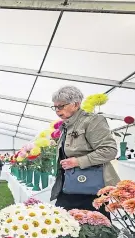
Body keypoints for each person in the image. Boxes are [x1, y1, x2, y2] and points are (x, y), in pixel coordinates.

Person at [50, 86, 120, 217]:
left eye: (61, 106)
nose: (57, 110)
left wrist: (77, 161)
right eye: (55, 107)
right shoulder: (66, 125)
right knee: (63, 226)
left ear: (76, 104)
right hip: (70, 186)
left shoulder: (92, 121)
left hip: (91, 189)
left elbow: (109, 150)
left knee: (96, 229)